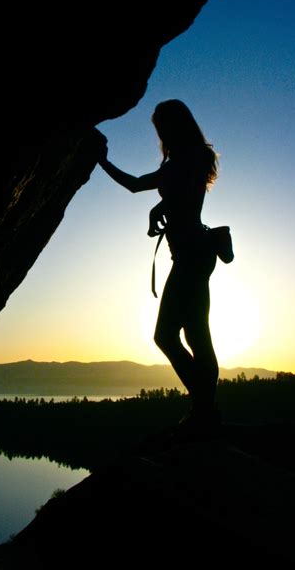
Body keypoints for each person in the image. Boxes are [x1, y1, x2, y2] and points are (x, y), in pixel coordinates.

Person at [98, 99, 221, 430]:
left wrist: (161, 206)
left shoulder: (192, 157)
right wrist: (102, 163)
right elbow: (138, 184)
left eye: (163, 125)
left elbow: (181, 194)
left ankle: (204, 407)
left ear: (176, 125)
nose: (160, 132)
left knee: (168, 336)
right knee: (194, 335)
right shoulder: (182, 160)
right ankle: (205, 410)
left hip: (192, 255)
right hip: (190, 254)